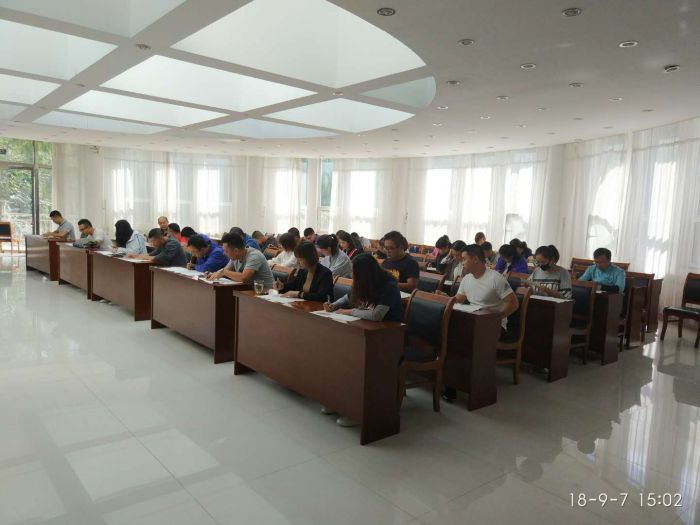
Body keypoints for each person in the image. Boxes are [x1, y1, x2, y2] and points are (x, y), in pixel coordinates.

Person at [444, 244, 519, 402]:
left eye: (464, 259)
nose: (461, 262)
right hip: (472, 322)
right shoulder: (467, 279)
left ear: (476, 259)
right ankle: (451, 382)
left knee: (459, 340)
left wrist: (496, 318)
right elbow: (460, 299)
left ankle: (468, 384)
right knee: (448, 335)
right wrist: (446, 299)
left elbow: (513, 303)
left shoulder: (495, 278)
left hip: (493, 326)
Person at [325, 253, 403, 322]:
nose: (352, 275)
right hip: (367, 323)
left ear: (364, 274)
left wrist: (349, 312)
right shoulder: (364, 282)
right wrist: (334, 305)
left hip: (389, 326)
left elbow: (376, 315)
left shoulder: (389, 285)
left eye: (354, 272)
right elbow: (348, 297)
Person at [208, 232, 274, 288]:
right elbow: (225, 270)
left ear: (236, 251)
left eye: (226, 251)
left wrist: (223, 272)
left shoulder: (254, 255)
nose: (224, 253)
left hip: (265, 293)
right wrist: (213, 275)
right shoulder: (235, 256)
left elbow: (243, 278)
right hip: (249, 290)